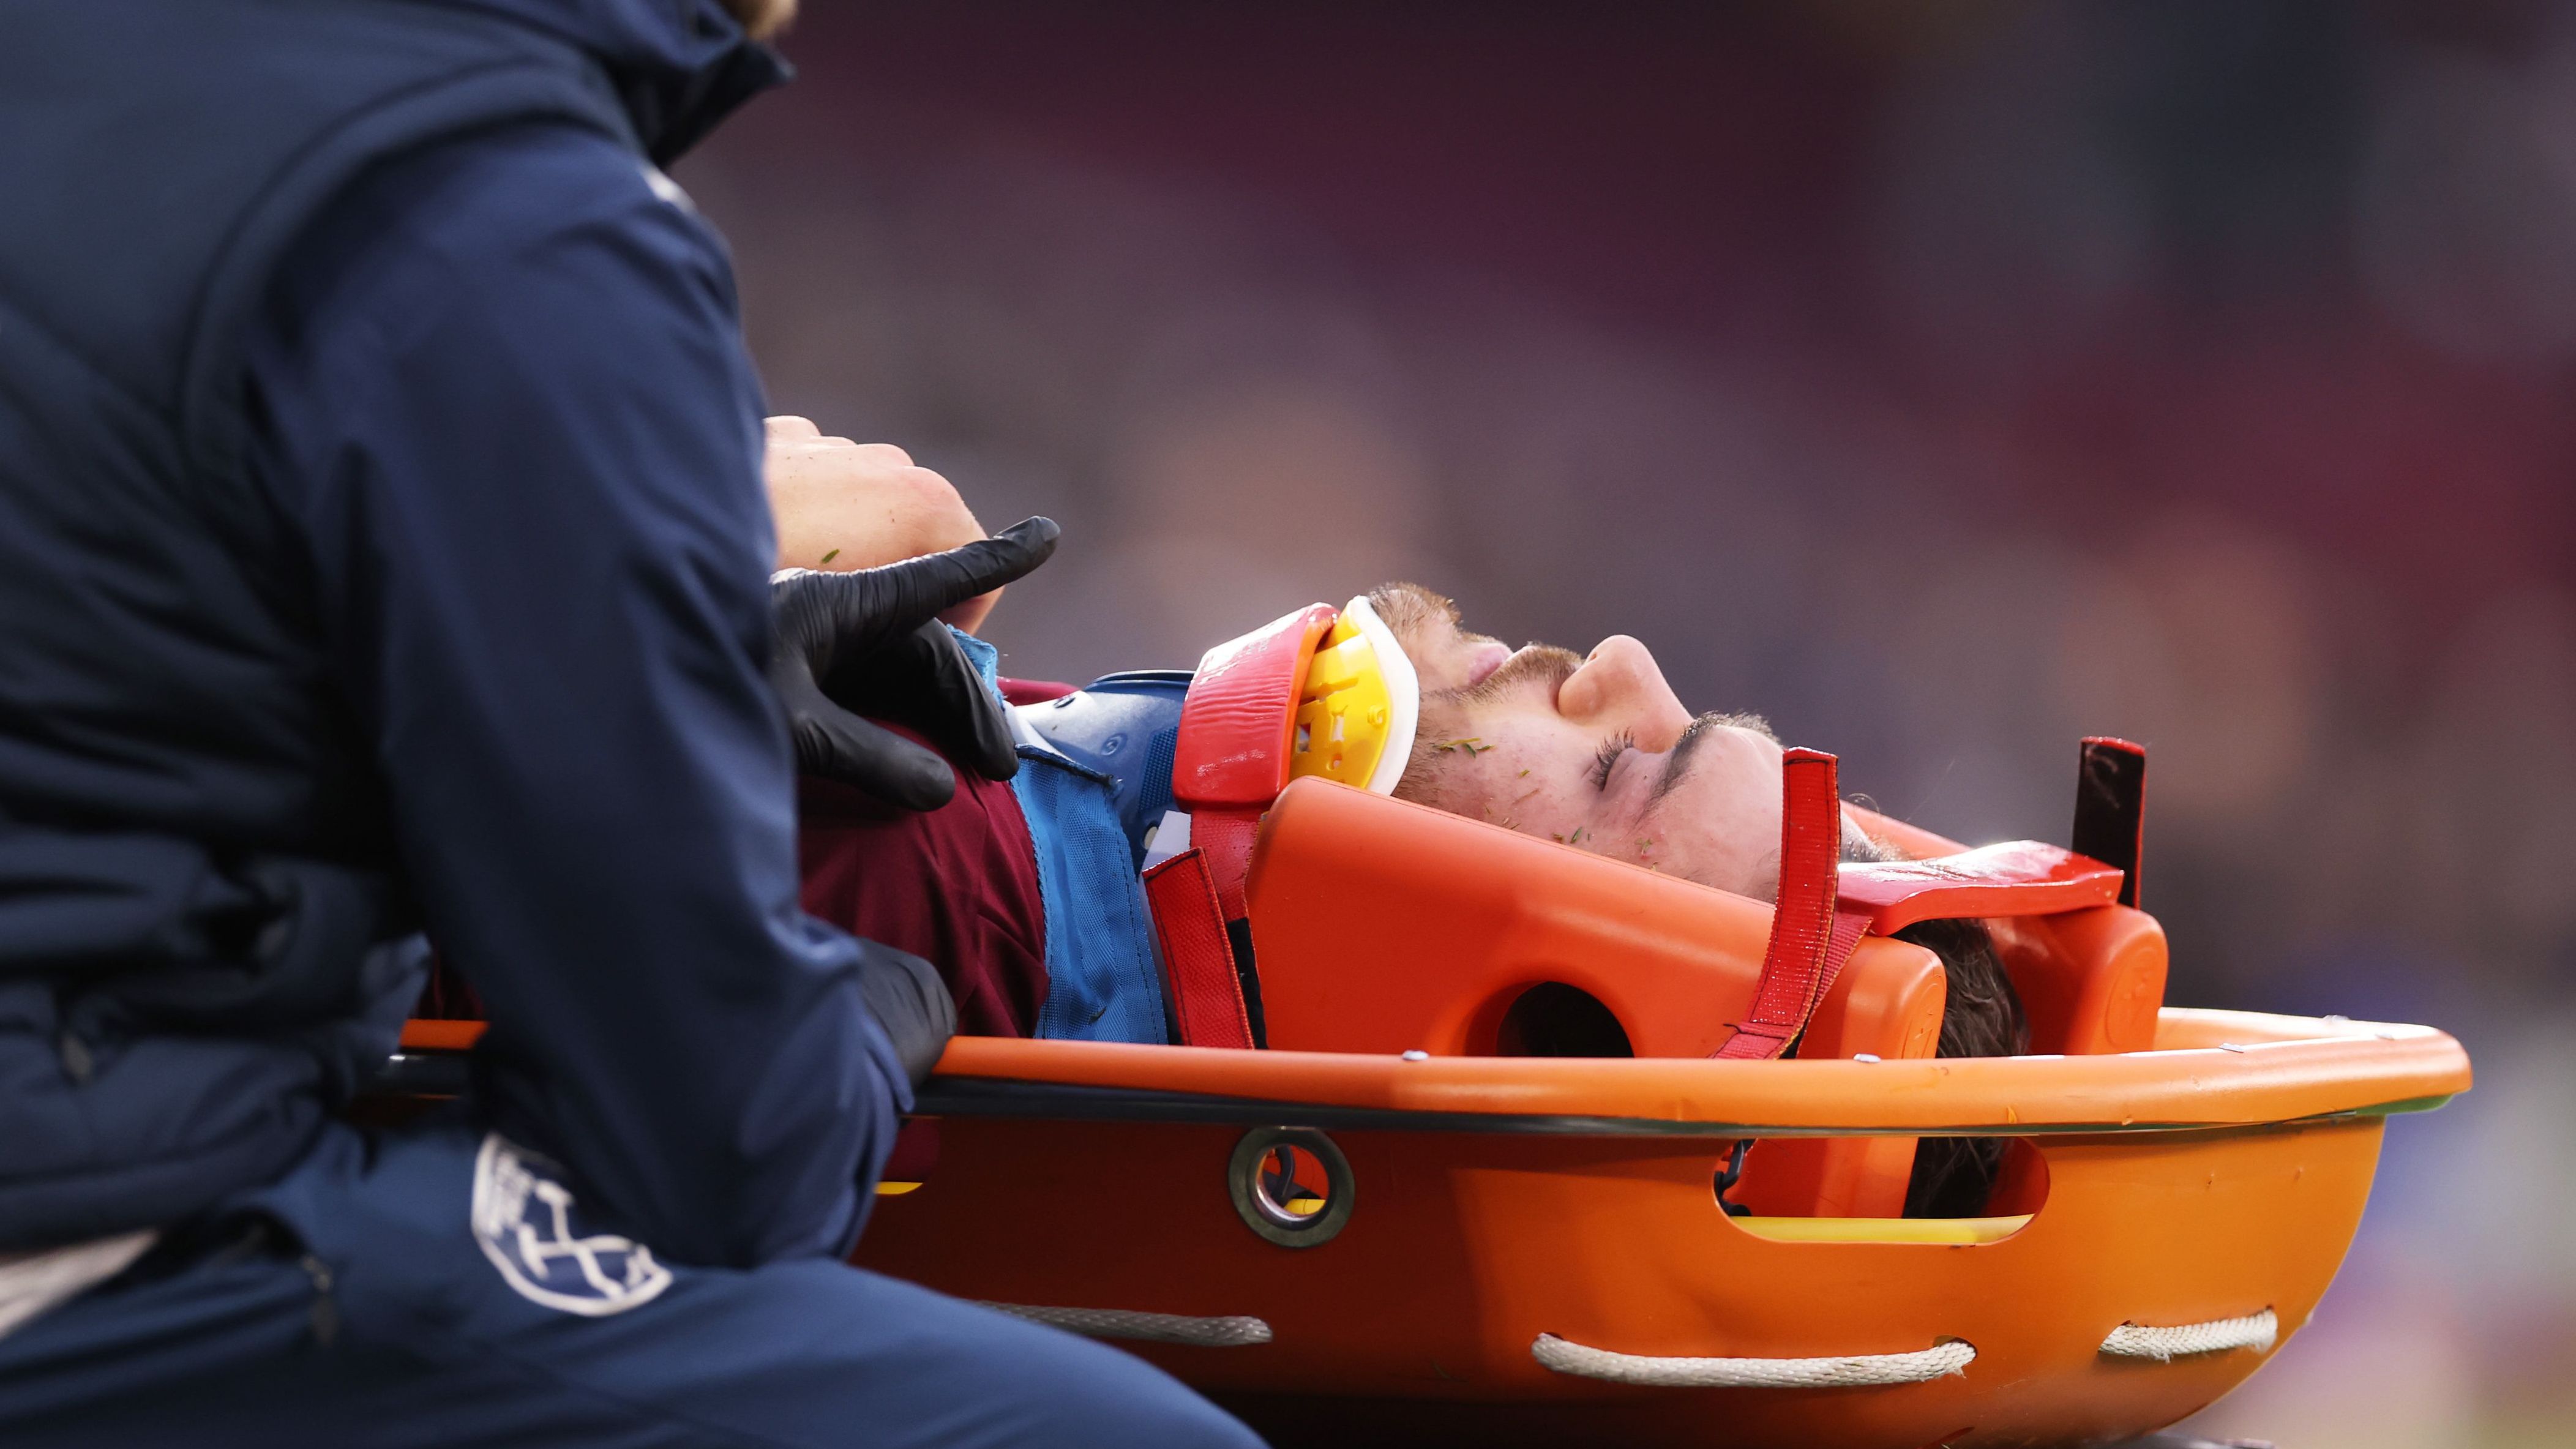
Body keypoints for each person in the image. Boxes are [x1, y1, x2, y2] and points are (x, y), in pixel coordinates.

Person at [0, 2, 1257, 1445]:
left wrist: (680, 641)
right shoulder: (507, 207)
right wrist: (848, 1035)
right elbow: (710, 1146)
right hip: (72, 1251)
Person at [782, 569, 2028, 1217]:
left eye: (1618, 767)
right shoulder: (1009, 870)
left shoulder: (930, 873)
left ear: (1524, 1011)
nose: (1616, 661)